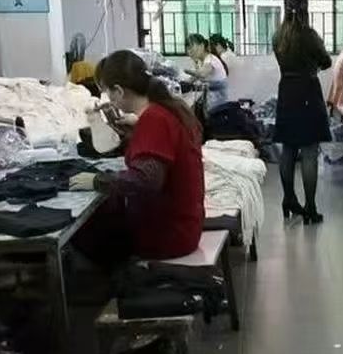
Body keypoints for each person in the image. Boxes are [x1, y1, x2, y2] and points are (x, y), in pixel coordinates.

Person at [68, 50, 205, 264]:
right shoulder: (169, 108)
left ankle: (115, 282)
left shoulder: (154, 119)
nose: (108, 99)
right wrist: (133, 134)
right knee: (107, 215)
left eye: (107, 92)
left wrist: (97, 180)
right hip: (185, 224)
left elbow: (146, 180)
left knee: (81, 235)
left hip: (168, 235)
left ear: (118, 91)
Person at [273, 0, 332, 224]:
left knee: (288, 149)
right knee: (309, 152)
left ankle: (288, 199)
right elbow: (326, 61)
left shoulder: (278, 36)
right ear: (305, 9)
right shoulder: (309, 35)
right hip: (308, 91)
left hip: (286, 91)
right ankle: (310, 207)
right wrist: (313, 66)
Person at [185, 33, 228, 110]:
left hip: (218, 103)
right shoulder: (200, 61)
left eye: (192, 47)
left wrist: (185, 71)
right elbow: (193, 78)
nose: (190, 51)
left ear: (202, 46)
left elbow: (202, 74)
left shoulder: (210, 59)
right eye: (188, 48)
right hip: (211, 100)